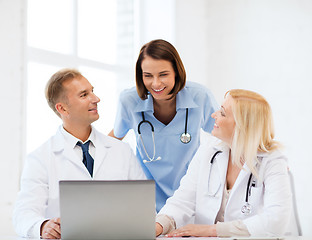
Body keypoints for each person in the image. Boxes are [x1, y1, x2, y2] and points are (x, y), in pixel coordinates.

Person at [13, 68, 146, 239]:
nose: (96, 99)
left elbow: (144, 206)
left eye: (92, 91)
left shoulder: (122, 151)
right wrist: (43, 226)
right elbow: (24, 213)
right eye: (84, 95)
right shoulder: (40, 158)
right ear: (62, 109)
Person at [155, 89, 292, 237]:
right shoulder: (209, 149)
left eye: (222, 113)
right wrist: (159, 225)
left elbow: (276, 220)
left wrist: (213, 230)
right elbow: (183, 201)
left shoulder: (272, 161)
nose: (214, 115)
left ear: (243, 125)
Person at [108, 39, 218, 212]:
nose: (156, 84)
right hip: (145, 198)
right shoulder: (129, 100)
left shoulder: (200, 96)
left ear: (177, 72)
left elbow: (227, 137)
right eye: (148, 76)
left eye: (163, 74)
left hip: (191, 197)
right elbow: (113, 142)